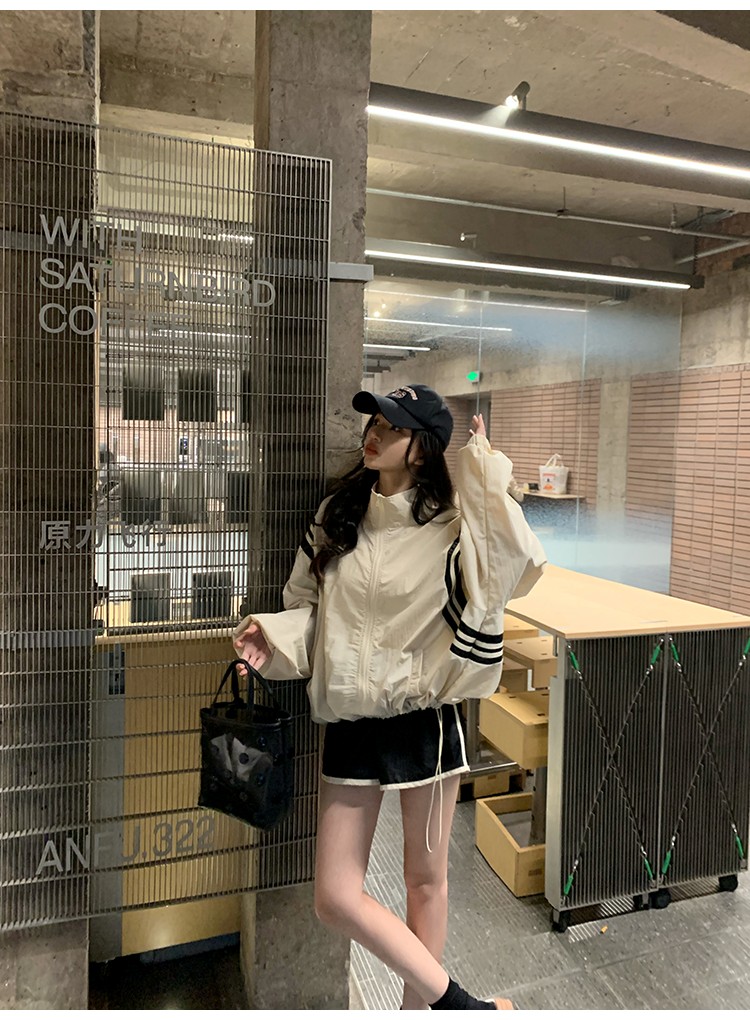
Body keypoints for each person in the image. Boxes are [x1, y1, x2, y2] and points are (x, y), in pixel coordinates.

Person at [233, 383, 546, 1010]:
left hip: (422, 721)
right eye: (373, 421)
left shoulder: (454, 528)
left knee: (425, 882)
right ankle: (461, 1007)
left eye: (392, 426)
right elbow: (311, 610)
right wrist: (274, 635)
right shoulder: (337, 515)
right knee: (334, 897)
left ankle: (421, 1011)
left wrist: (485, 475)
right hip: (350, 719)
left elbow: (519, 568)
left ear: (423, 448)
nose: (373, 434)